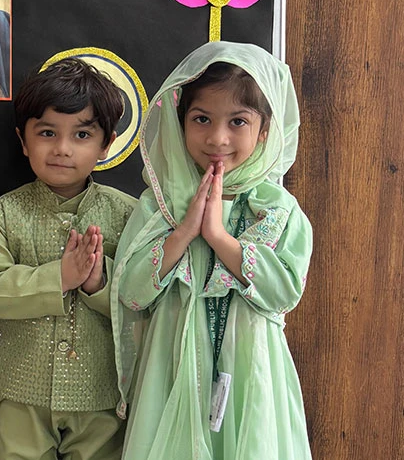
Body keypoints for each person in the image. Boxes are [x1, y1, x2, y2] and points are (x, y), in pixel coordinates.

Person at [111, 42, 313, 459]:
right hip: (170, 372)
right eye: (201, 119)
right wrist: (185, 231)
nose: (217, 138)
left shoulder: (276, 208)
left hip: (250, 372)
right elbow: (130, 291)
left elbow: (283, 292)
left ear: (264, 130)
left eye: (238, 121)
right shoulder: (160, 204)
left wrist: (219, 236)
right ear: (180, 122)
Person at [0, 57, 136, 460]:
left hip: (101, 393)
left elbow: (142, 300)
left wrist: (99, 282)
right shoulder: (5, 213)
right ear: (24, 141)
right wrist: (58, 278)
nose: (62, 148)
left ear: (107, 144)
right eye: (47, 133)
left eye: (82, 134)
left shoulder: (128, 215)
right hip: (17, 389)